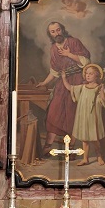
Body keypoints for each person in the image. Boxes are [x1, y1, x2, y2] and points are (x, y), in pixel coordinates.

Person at [35, 21, 91, 155]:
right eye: (53, 31)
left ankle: (71, 149)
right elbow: (54, 71)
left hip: (77, 81)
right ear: (50, 34)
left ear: (62, 30)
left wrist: (69, 54)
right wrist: (44, 82)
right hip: (62, 83)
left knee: (73, 114)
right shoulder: (53, 48)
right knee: (54, 112)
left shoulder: (74, 42)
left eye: (58, 30)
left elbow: (86, 61)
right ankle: (48, 146)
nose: (56, 33)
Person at [61, 63, 105, 166]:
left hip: (93, 116)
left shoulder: (99, 88)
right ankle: (85, 158)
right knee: (85, 139)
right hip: (83, 115)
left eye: (91, 74)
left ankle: (99, 156)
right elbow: (70, 88)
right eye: (87, 73)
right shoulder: (82, 87)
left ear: (96, 76)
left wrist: (101, 91)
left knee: (94, 138)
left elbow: (104, 101)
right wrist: (64, 78)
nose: (88, 75)